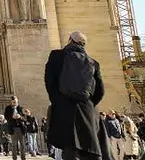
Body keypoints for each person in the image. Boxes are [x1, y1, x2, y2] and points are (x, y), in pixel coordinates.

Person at [44, 31, 104, 160]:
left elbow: (50, 81)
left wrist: (57, 101)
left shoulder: (57, 55)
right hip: (86, 107)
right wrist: (89, 103)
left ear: (70, 39)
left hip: (64, 106)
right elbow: (100, 91)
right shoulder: (93, 62)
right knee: (90, 147)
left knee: (70, 147)